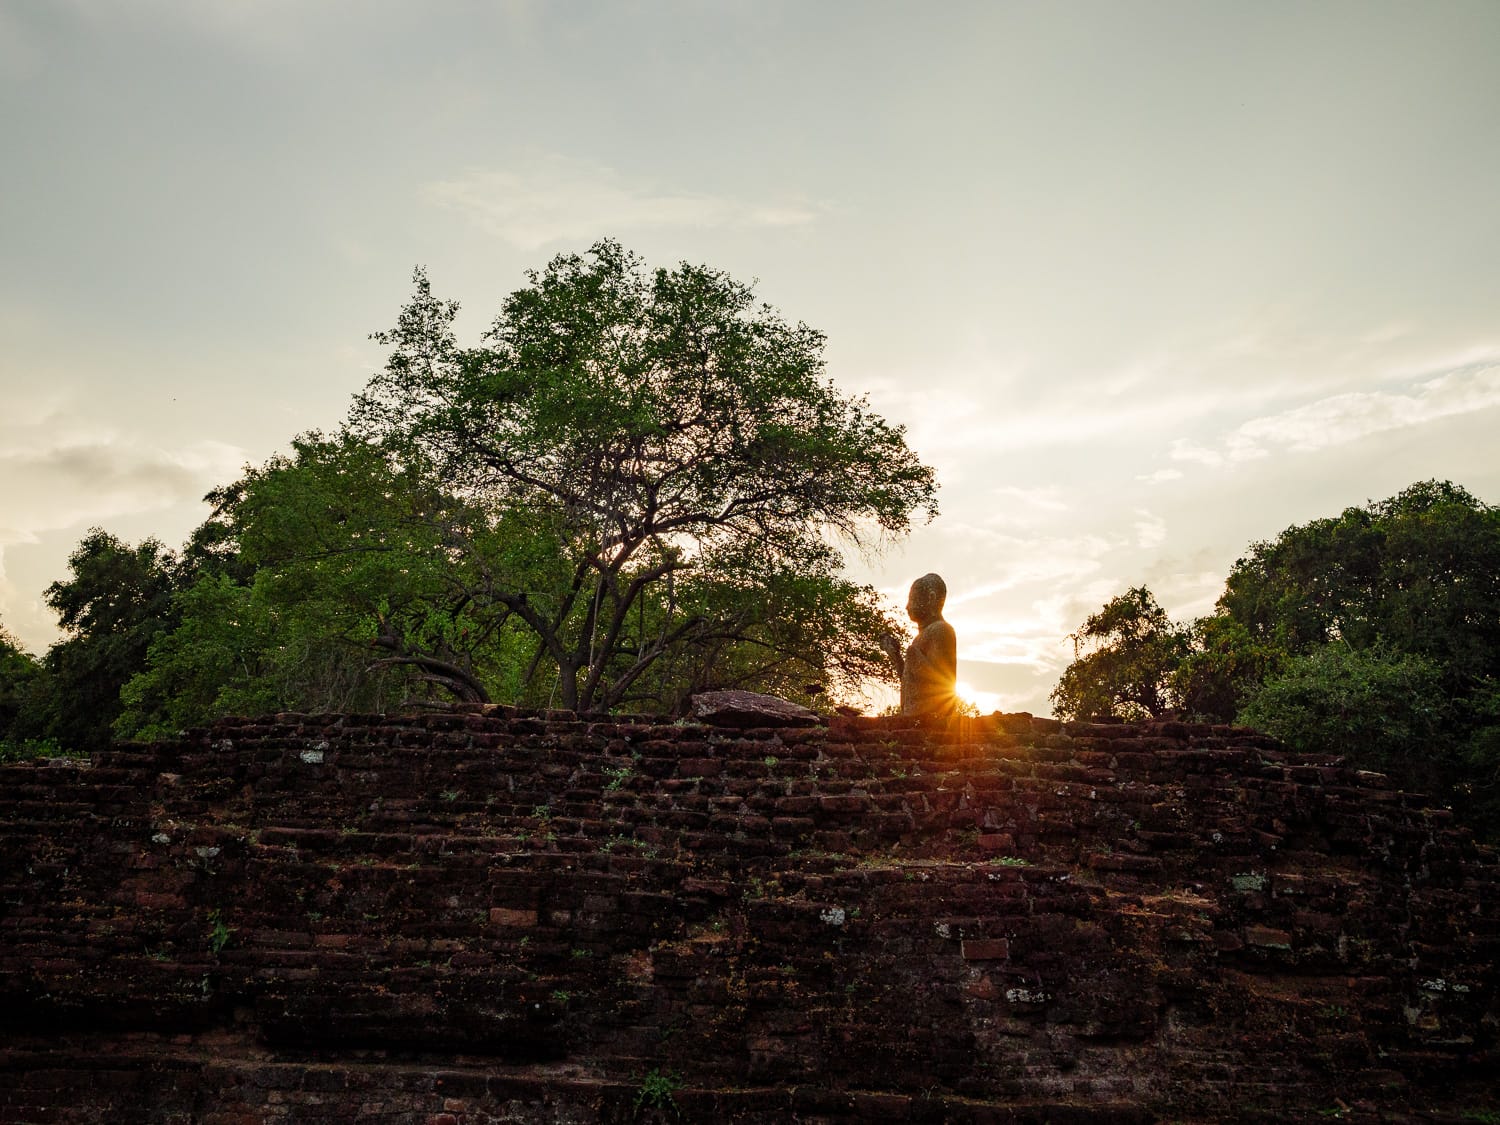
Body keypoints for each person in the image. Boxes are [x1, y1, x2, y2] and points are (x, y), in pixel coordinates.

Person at [880, 573, 957, 717]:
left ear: (931, 598)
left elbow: (941, 683)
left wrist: (913, 656)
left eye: (912, 599)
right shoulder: (920, 637)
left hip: (931, 717)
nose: (907, 606)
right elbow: (912, 683)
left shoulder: (941, 630)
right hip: (913, 716)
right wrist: (894, 655)